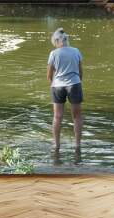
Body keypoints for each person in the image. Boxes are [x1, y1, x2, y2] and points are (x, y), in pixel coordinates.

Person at [47, 28, 83, 162]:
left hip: (57, 86)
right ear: (67, 40)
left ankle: (56, 145)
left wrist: (53, 85)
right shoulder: (76, 51)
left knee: (57, 116)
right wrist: (77, 83)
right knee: (77, 116)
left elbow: (49, 75)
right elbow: (80, 72)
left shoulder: (53, 53)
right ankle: (77, 145)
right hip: (74, 84)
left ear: (57, 41)